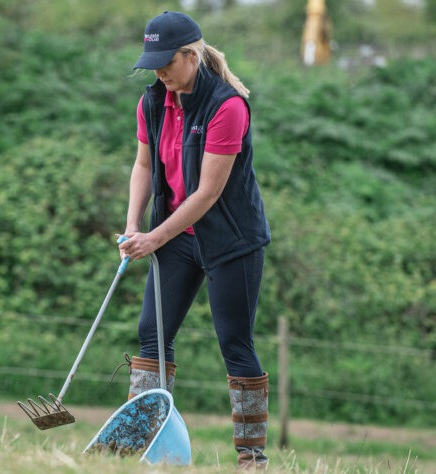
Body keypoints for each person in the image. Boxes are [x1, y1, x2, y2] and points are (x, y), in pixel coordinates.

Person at [116, 11, 271, 470]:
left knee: (235, 342)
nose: (159, 71)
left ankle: (251, 457)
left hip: (231, 240)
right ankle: (137, 441)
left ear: (192, 55)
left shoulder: (228, 107)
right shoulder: (151, 103)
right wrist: (132, 227)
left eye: (167, 62)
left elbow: (207, 192)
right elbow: (144, 167)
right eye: (153, 63)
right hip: (176, 236)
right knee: (152, 334)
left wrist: (153, 237)